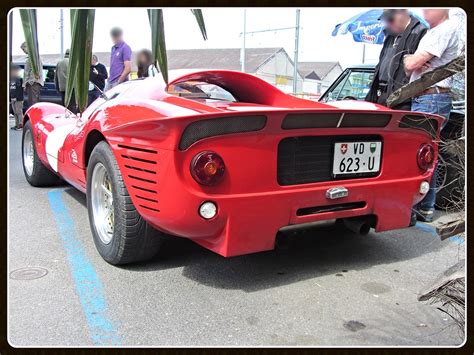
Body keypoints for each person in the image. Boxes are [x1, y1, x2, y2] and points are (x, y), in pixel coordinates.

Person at [404, 9, 459, 222]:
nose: (425, 9)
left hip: (431, 98)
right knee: (426, 155)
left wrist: (413, 60)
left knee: (421, 156)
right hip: (428, 97)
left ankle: (420, 207)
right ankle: (424, 206)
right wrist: (414, 61)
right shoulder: (436, 31)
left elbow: (410, 65)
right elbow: (411, 67)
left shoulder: (443, 30)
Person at [365, 9, 428, 110]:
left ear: (403, 13)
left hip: (403, 99)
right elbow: (381, 63)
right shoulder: (389, 36)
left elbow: (420, 68)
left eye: (391, 19)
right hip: (382, 95)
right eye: (386, 20)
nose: (389, 23)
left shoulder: (420, 32)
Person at [21, 41, 44, 108]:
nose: (23, 51)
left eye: (23, 49)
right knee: (31, 103)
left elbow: (36, 71)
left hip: (33, 83)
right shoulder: (32, 57)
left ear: (27, 47)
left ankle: (34, 118)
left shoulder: (34, 58)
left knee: (33, 103)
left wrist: (30, 82)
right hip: (32, 83)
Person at [54, 49, 77, 114]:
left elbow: (56, 77)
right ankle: (72, 119)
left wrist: (57, 88)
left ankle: (65, 118)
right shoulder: (74, 62)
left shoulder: (59, 63)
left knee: (64, 105)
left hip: (63, 88)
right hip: (73, 88)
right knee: (72, 106)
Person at [10, 65, 24, 130]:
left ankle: (21, 124)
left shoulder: (19, 79)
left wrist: (17, 97)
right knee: (15, 112)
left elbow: (20, 90)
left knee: (19, 112)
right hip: (12, 98)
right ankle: (16, 124)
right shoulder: (10, 79)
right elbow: (10, 89)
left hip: (18, 98)